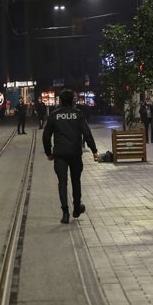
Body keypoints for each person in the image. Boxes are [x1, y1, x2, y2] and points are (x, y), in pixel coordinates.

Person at [42, 89, 99, 224]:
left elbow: (46, 136)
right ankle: (77, 208)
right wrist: (94, 150)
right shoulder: (78, 114)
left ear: (60, 100)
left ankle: (65, 213)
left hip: (60, 154)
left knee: (62, 182)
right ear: (73, 100)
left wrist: (49, 153)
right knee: (76, 181)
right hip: (75, 153)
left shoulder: (54, 115)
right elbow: (87, 133)